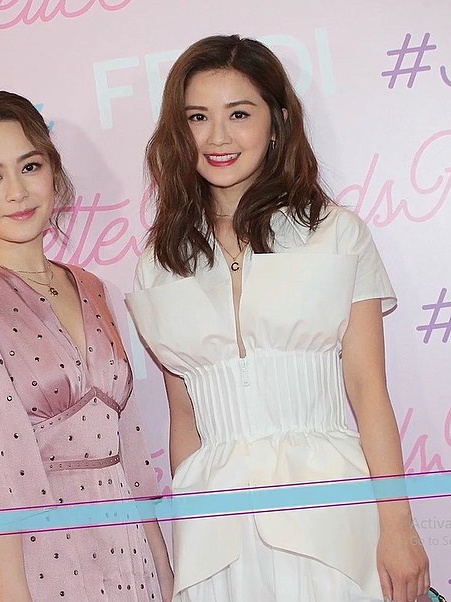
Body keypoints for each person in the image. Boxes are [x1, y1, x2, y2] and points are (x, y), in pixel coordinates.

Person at [126, 35, 429, 602]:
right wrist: (187, 541)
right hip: (217, 533)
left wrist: (398, 525)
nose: (218, 137)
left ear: (277, 120)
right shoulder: (159, 264)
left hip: (331, 513)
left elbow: (368, 389)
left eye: (239, 114)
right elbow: (183, 422)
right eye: (198, 117)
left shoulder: (335, 234)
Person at [0, 91, 172, 602]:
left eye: (30, 165)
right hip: (42, 564)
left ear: (54, 171)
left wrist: (164, 575)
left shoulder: (95, 289)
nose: (17, 191)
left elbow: (132, 454)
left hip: (128, 551)